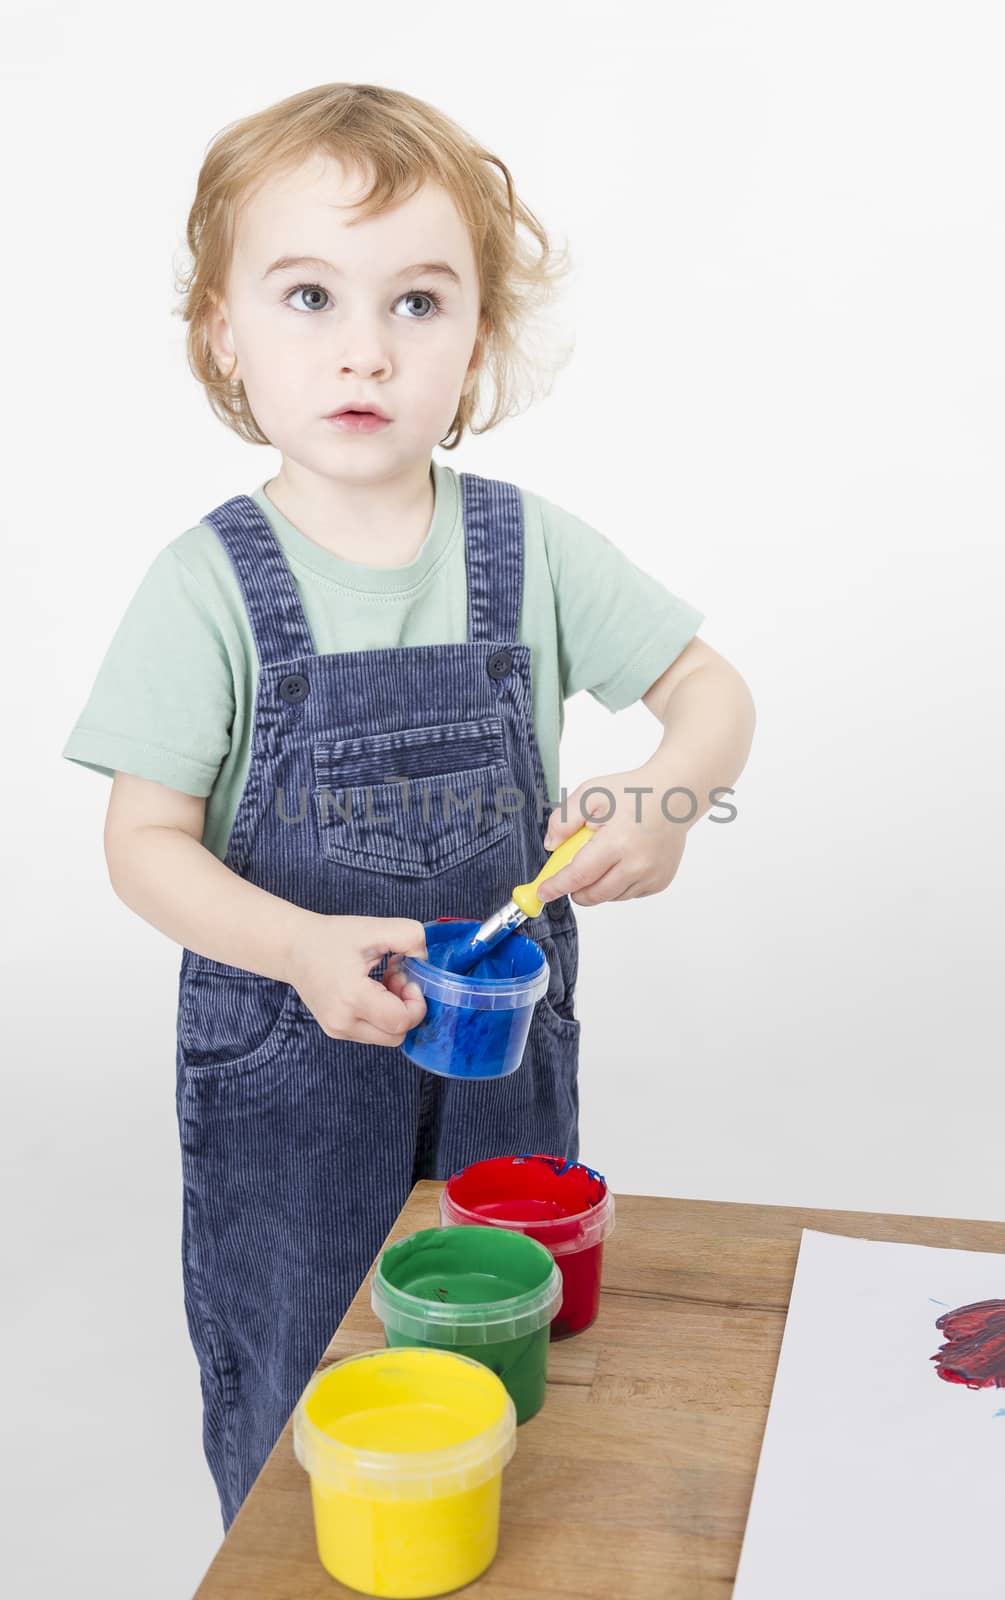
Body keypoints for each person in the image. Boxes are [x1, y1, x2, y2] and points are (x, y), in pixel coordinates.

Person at [61, 82, 756, 1528]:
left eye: (420, 303)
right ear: (221, 334)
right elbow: (143, 844)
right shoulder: (207, 589)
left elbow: (711, 694)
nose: (365, 348)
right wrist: (299, 948)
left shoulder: (530, 549)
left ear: (479, 341)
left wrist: (667, 797)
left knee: (510, 1355)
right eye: (308, 295)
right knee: (310, 1381)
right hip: (289, 1082)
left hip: (504, 1074)